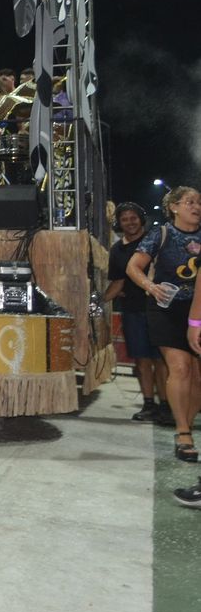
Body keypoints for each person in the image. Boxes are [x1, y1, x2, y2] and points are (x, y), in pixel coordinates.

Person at [126, 187, 201, 463]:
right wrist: (149, 286)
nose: (196, 207)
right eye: (190, 202)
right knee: (180, 367)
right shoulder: (162, 234)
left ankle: (188, 423)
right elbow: (133, 267)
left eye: (200, 202)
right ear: (174, 207)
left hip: (198, 310)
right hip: (165, 308)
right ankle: (183, 433)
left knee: (196, 374)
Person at [105, 203, 169, 423]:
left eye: (134, 218)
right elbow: (118, 282)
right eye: (125, 219)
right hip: (133, 310)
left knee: (162, 360)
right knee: (142, 360)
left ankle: (167, 405)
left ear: (142, 219)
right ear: (119, 223)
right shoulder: (117, 250)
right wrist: (97, 301)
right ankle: (149, 404)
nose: (130, 222)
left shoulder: (157, 241)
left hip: (160, 309)